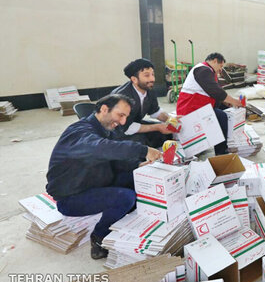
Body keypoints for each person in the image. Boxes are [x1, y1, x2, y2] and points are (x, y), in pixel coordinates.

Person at [46, 94, 162, 259]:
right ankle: (99, 236)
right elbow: (101, 148)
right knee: (126, 198)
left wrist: (137, 166)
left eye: (125, 117)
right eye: (120, 115)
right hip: (71, 197)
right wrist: (143, 150)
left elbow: (116, 161)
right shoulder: (79, 132)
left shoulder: (107, 130)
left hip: (93, 181)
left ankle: (132, 221)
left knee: (139, 179)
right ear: (104, 109)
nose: (122, 122)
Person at [176, 52, 243, 155]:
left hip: (199, 105)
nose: (221, 70)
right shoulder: (203, 70)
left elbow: (215, 94)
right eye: (220, 66)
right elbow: (216, 91)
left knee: (224, 109)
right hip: (190, 109)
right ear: (215, 61)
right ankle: (221, 152)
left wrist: (226, 102)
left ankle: (226, 142)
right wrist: (234, 101)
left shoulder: (209, 71)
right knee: (221, 116)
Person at [111, 58, 174, 148]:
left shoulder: (148, 88)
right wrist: (157, 127)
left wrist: (171, 120)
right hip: (118, 131)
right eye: (147, 75)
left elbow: (155, 111)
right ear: (134, 79)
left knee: (164, 133)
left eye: (153, 74)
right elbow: (125, 127)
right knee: (139, 141)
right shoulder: (122, 96)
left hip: (133, 124)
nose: (152, 79)